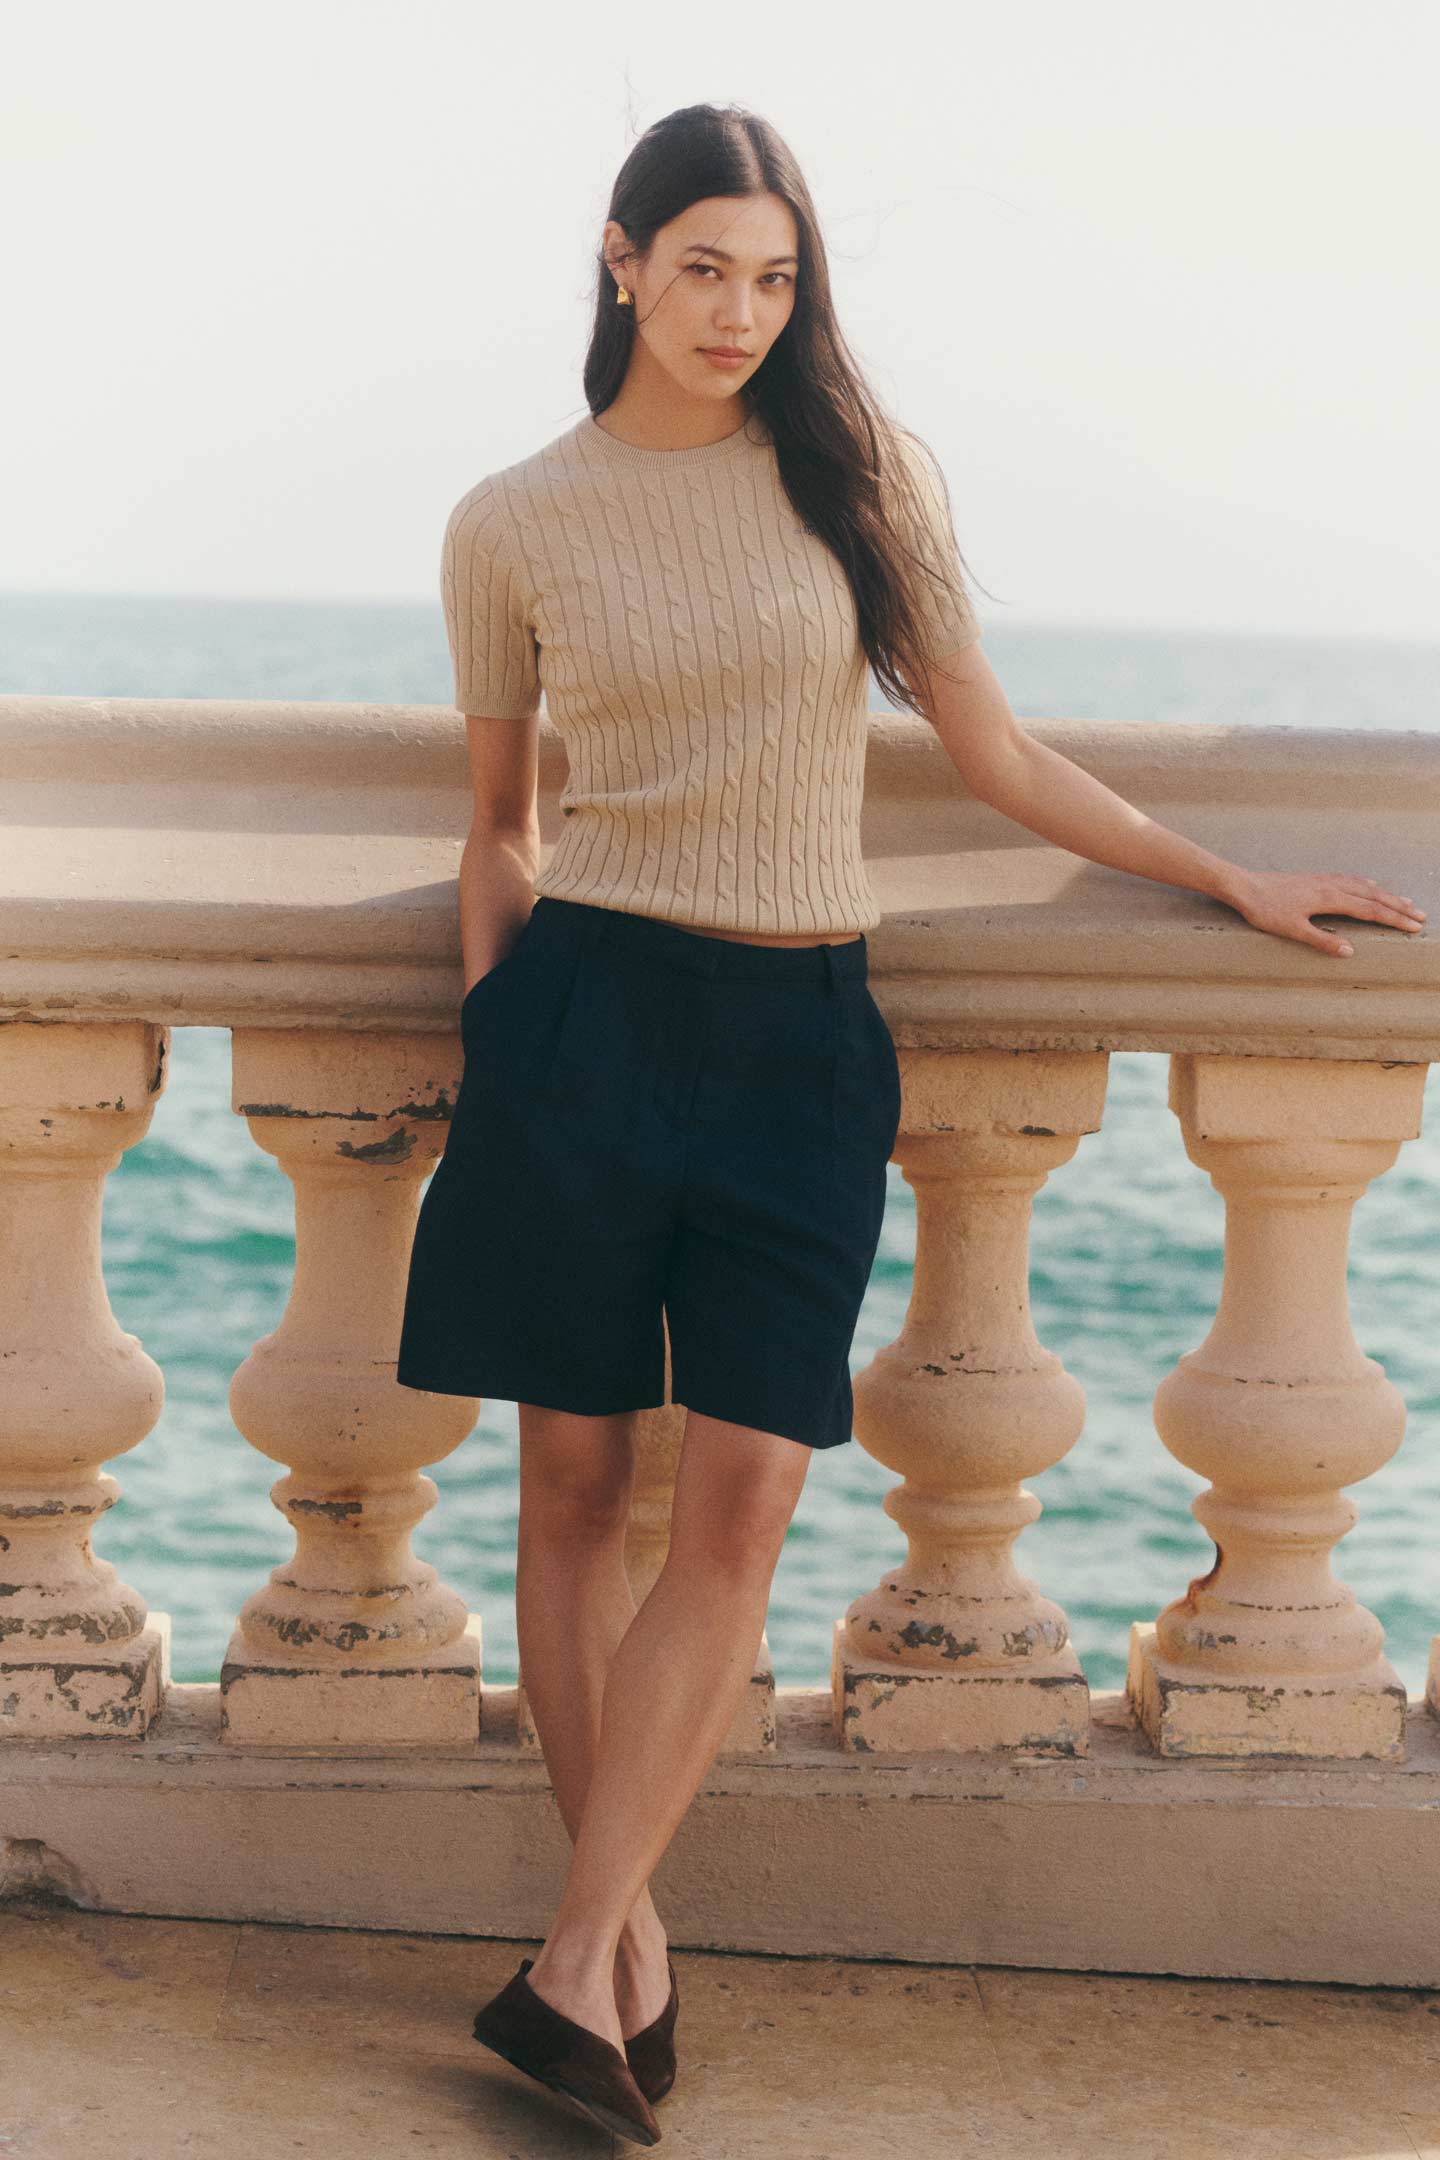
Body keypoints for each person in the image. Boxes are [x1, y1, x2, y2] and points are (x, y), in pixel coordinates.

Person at [396, 102, 1425, 2148]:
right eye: (702, 268)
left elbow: (994, 748)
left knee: (750, 1510)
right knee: (574, 1503)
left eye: (774, 278)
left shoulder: (855, 485)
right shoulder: (511, 518)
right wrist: (507, 1029)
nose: (738, 313)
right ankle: (621, 1960)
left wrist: (1224, 879)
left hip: (799, 1036)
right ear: (618, 263)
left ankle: (571, 1957)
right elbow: (500, 821)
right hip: (582, 1020)